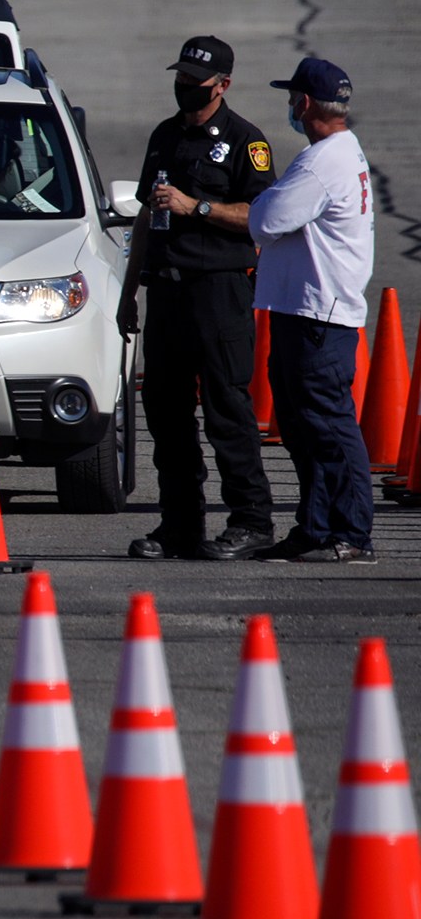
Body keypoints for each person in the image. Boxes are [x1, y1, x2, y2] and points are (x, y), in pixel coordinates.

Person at [116, 36, 275, 560]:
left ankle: (251, 522)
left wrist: (197, 207)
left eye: (196, 82)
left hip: (219, 291)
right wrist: (129, 290)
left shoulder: (246, 141)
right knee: (166, 411)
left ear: (223, 85)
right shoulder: (164, 136)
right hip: (166, 290)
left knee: (227, 408)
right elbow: (145, 216)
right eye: (180, 78)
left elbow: (260, 218)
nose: (185, 88)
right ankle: (180, 523)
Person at [251, 56, 375, 563]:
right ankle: (316, 527)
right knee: (303, 429)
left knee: (328, 429)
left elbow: (266, 218)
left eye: (291, 98)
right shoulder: (340, 153)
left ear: (303, 103)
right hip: (309, 312)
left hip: (318, 317)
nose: (289, 107)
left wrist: (265, 204)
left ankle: (352, 533)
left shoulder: (322, 161)